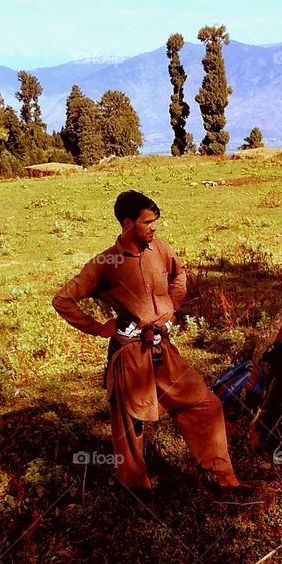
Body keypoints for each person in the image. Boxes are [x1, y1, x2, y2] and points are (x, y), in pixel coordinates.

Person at [52, 190, 253, 497]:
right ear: (128, 223)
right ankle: (136, 488)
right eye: (148, 222)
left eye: (155, 222)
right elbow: (63, 300)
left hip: (164, 347)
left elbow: (179, 274)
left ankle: (222, 478)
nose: (154, 228)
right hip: (130, 353)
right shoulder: (106, 261)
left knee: (206, 404)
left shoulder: (160, 248)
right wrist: (101, 328)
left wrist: (171, 311)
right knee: (130, 422)